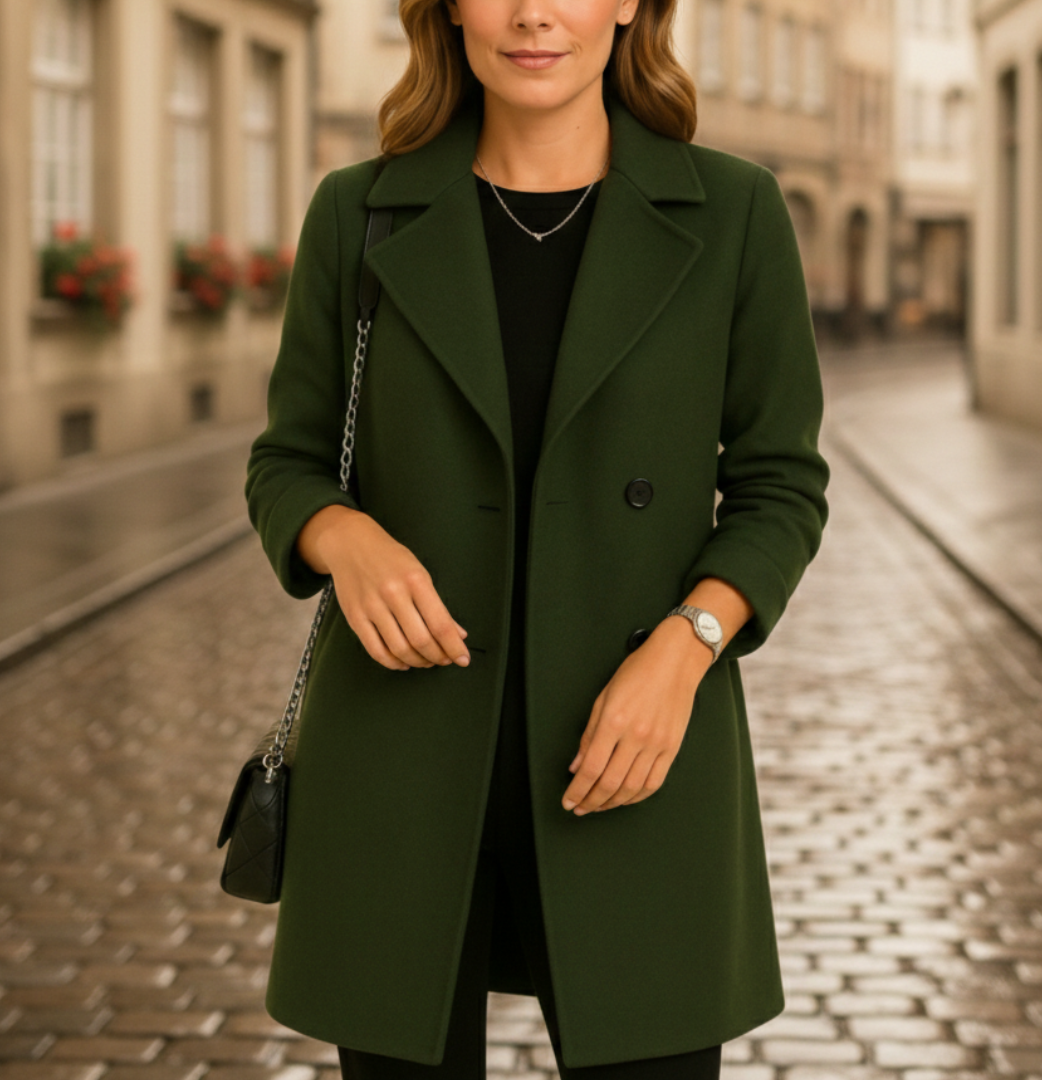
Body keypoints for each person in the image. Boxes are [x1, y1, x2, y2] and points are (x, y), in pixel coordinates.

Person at [244, 0, 831, 1077]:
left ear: (629, 7)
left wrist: (685, 647)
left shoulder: (733, 213)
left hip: (631, 755)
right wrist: (342, 536)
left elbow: (780, 486)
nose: (531, 13)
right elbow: (284, 461)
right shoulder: (360, 213)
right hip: (397, 762)